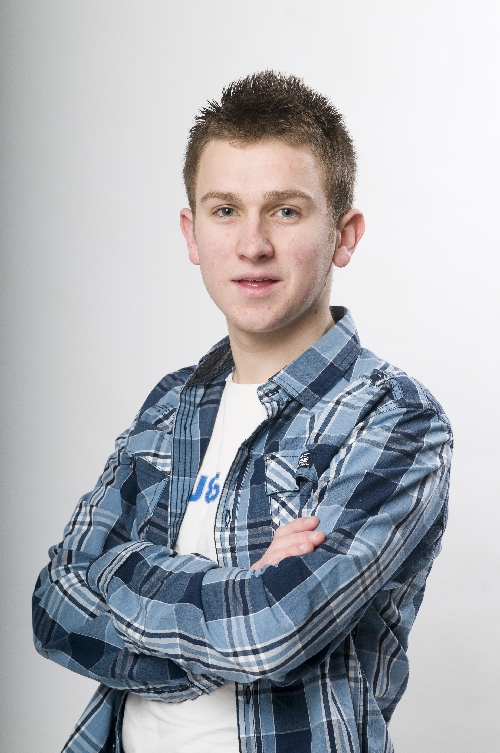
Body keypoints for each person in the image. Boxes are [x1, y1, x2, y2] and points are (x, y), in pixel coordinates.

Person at [32, 71, 452, 753]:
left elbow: (276, 629)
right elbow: (53, 607)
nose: (252, 244)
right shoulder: (170, 406)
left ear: (344, 235)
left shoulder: (394, 418)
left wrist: (113, 569)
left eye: (285, 211)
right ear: (192, 233)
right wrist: (237, 590)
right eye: (225, 210)